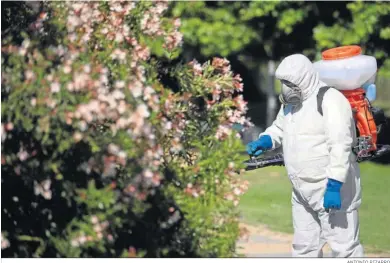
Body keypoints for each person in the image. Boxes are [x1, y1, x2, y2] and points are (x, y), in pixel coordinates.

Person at [246, 54, 363, 257]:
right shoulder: (291, 104)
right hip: (301, 190)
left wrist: (334, 186)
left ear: (304, 77)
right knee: (304, 248)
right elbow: (280, 128)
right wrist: (265, 141)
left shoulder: (330, 99)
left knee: (344, 249)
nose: (286, 87)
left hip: (331, 188)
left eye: (290, 82)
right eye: (283, 83)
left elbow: (340, 145)